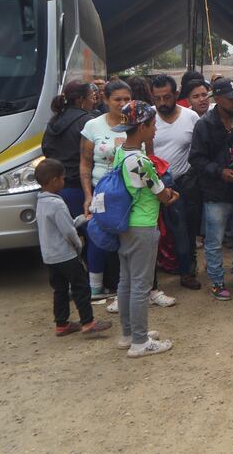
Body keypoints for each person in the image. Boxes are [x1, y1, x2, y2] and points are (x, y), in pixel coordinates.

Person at [110, 101, 177, 357]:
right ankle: (140, 342)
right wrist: (171, 195)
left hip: (124, 223)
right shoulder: (140, 160)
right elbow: (161, 194)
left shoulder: (120, 153)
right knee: (141, 285)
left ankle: (129, 334)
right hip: (143, 225)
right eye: (153, 125)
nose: (155, 130)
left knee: (126, 281)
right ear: (143, 126)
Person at [189, 78, 233, 300]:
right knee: (214, 239)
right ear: (217, 99)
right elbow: (196, 158)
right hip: (215, 192)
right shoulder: (205, 125)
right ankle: (217, 281)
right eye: (229, 98)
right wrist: (220, 172)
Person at [35, 158, 111, 337]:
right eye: (62, 178)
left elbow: (64, 223)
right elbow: (68, 231)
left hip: (50, 256)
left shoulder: (41, 201)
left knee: (60, 289)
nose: (64, 181)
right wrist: (78, 245)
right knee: (81, 287)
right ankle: (88, 322)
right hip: (65, 255)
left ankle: (61, 323)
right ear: (54, 180)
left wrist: (83, 218)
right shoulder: (57, 203)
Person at [80, 79, 132, 299]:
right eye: (117, 99)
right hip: (101, 192)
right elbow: (85, 162)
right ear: (106, 100)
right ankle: (100, 285)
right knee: (101, 238)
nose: (122, 104)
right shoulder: (93, 126)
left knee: (130, 240)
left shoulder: (137, 122)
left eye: (127, 99)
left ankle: (127, 287)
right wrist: (87, 195)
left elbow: (149, 155)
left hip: (131, 192)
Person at [152, 74, 201, 289]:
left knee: (183, 230)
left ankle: (187, 271)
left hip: (182, 183)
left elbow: (199, 150)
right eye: (157, 98)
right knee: (149, 231)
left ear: (176, 95)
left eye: (167, 97)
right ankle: (149, 279)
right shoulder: (147, 117)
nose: (162, 103)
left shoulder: (191, 118)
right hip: (151, 183)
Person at [41, 80, 96, 220]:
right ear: (81, 100)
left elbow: (46, 149)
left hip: (56, 187)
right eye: (91, 97)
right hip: (81, 189)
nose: (93, 101)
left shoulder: (54, 120)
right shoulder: (88, 122)